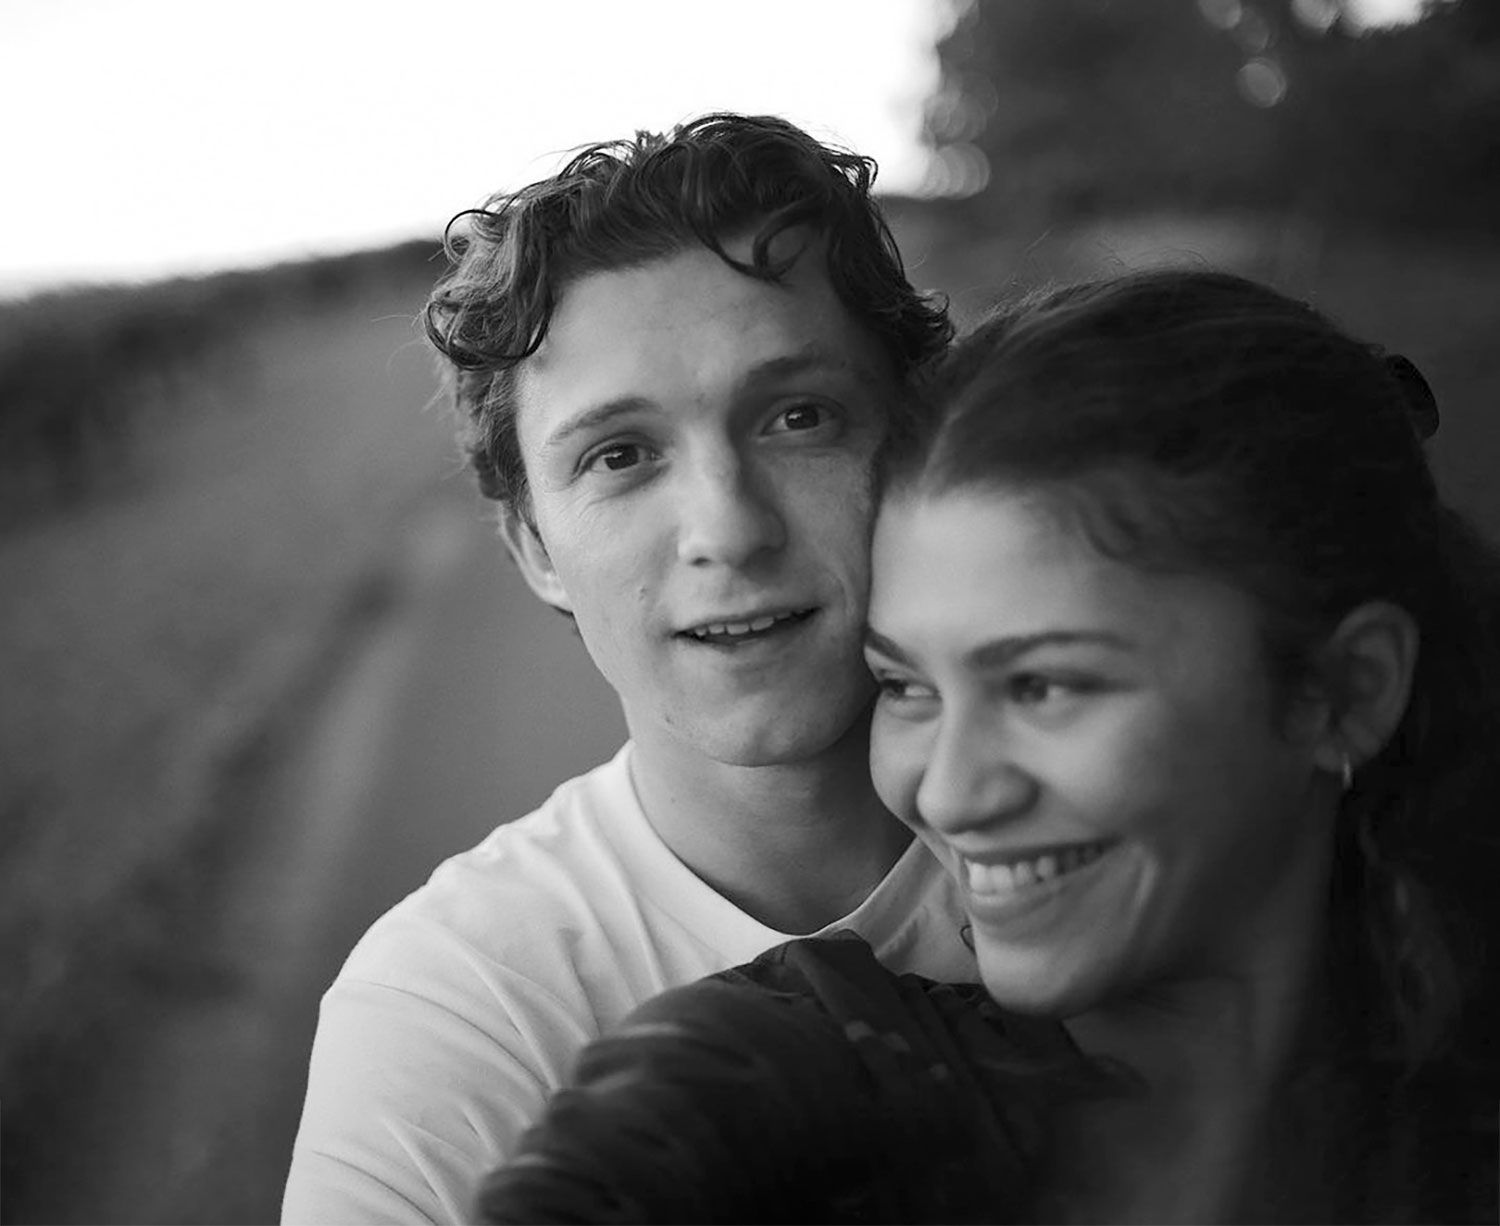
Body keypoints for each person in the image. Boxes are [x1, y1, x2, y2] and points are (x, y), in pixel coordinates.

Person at [476, 269, 1500, 1223]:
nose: (950, 793)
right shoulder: (783, 1091)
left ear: (1345, 691)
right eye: (905, 686)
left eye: (1043, 686)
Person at [279, 113, 975, 1225]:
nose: (728, 529)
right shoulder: (461, 1003)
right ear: (535, 548)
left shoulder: (1122, 830)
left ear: (920, 444)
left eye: (798, 417)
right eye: (620, 455)